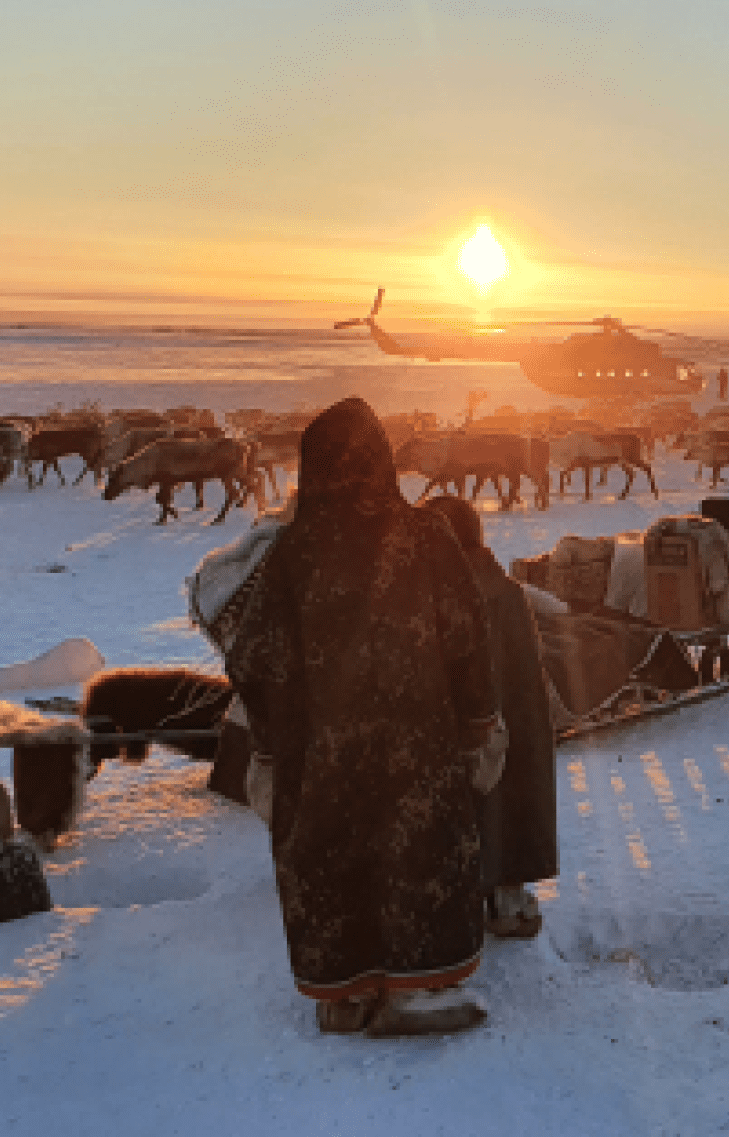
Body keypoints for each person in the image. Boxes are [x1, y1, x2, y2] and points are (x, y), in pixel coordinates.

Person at [226, 398, 505, 1038]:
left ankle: (342, 996)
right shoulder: (428, 537)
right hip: (421, 747)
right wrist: (478, 723)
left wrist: (272, 742)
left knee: (328, 861)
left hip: (319, 754)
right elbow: (469, 637)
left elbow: (253, 657)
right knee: (418, 856)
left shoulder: (292, 553)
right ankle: (413, 992)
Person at [421, 496, 558, 939]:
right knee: (509, 805)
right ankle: (508, 901)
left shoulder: (425, 597)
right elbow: (527, 668)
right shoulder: (508, 592)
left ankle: (452, 906)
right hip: (511, 719)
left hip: (452, 724)